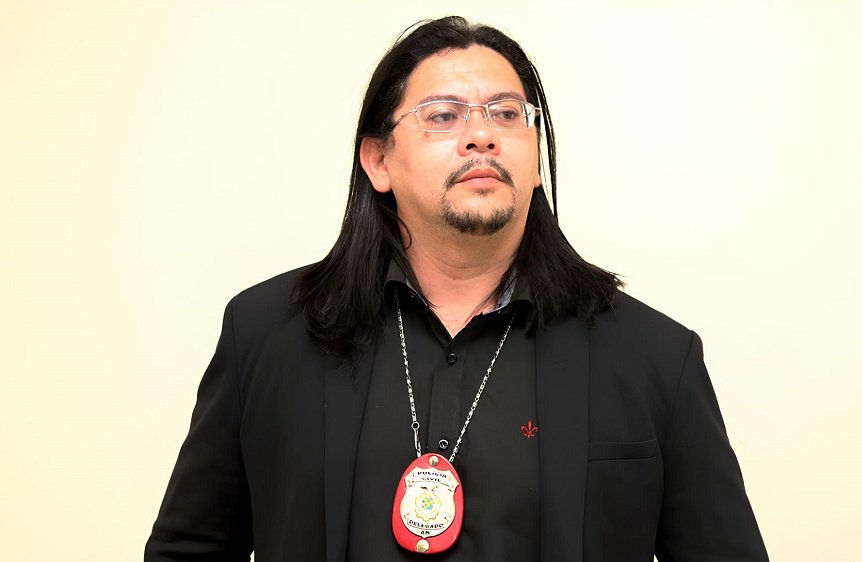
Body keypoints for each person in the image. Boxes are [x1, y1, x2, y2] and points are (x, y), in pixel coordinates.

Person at [146, 16, 768, 562]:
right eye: (444, 115)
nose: (482, 135)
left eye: (506, 114)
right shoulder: (266, 335)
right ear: (378, 161)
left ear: (536, 156)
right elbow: (191, 550)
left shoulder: (654, 357)